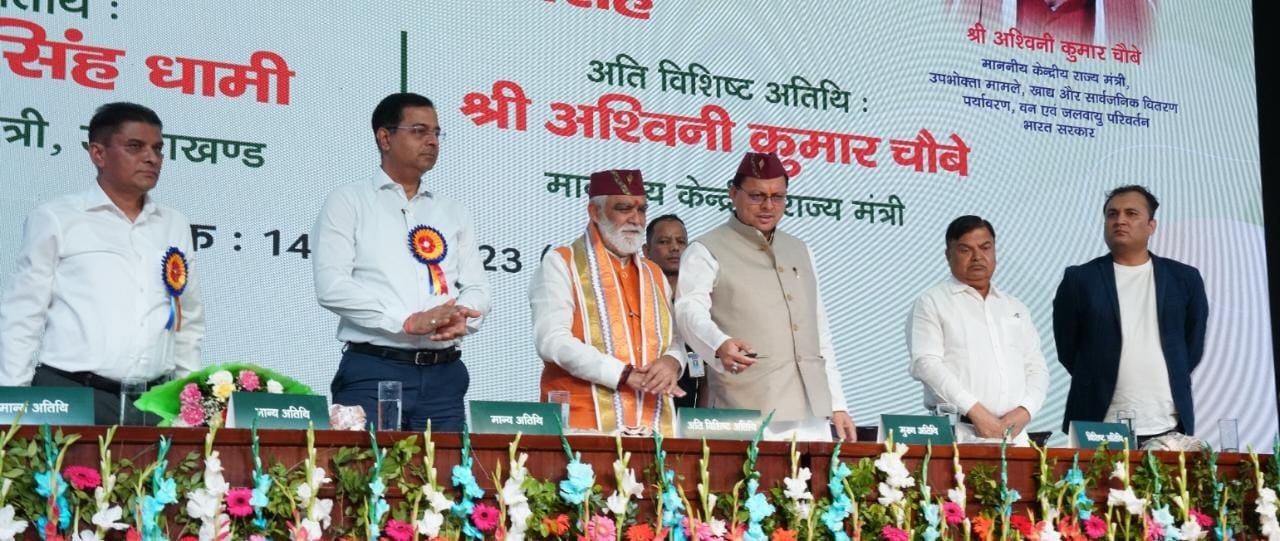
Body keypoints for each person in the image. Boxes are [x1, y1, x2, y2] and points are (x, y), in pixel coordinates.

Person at [0, 102, 204, 424]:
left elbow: (186, 321)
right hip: (72, 396)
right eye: (135, 146)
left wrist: (189, 404)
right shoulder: (57, 218)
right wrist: (12, 405)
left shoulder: (174, 225)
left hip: (154, 403)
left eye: (157, 149)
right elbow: (23, 314)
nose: (151, 158)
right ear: (98, 154)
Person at [313, 92, 490, 432]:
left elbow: (478, 287)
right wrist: (405, 322)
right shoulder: (348, 201)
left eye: (437, 133)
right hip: (374, 370)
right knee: (365, 467)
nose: (432, 141)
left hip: (444, 376)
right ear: (385, 138)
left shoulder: (453, 212)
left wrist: (463, 316)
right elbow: (332, 286)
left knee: (446, 467)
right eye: (420, 131)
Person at [674, 152, 856, 441]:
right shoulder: (705, 249)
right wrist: (718, 343)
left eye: (778, 197)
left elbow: (819, 332)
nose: (768, 206)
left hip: (811, 410)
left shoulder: (801, 250)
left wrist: (837, 403)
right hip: (746, 408)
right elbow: (688, 310)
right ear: (733, 193)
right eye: (757, 196)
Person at [531, 169, 686, 436]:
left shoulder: (653, 272)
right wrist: (622, 374)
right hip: (582, 424)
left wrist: (672, 361)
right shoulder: (562, 262)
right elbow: (552, 340)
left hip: (653, 424)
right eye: (623, 208)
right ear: (594, 212)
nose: (636, 219)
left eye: (641, 209)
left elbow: (675, 339)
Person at [1053, 185, 1208, 444]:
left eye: (1131, 213)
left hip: (1168, 421)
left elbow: (1191, 347)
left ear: (1151, 225)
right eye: (1112, 214)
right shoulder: (1079, 279)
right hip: (1098, 422)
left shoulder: (1184, 278)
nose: (1120, 220)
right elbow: (1068, 349)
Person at [908, 216, 1049, 445]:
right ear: (948, 254)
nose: (977, 257)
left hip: (1015, 433)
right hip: (959, 431)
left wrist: (1025, 411)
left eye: (985, 247)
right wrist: (977, 412)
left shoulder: (1015, 307)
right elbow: (926, 364)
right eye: (965, 250)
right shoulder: (932, 302)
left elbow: (1036, 367)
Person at [643, 213, 704, 408]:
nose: (675, 248)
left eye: (681, 241)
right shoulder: (637, 296)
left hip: (692, 404)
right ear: (646, 250)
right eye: (664, 242)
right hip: (646, 396)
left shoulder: (702, 297)